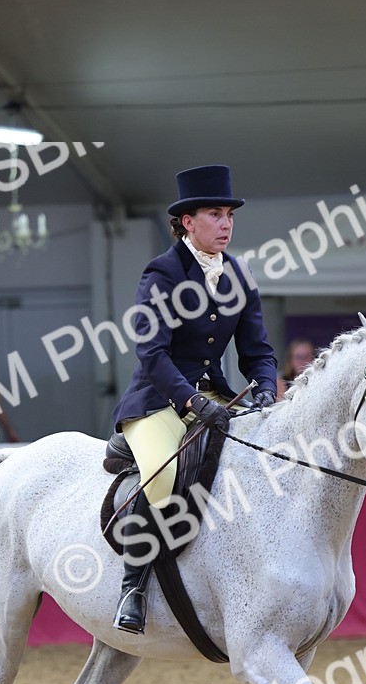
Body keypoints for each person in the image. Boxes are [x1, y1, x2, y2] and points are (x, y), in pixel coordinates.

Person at [111, 164, 278, 634]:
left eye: (229, 215)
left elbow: (258, 351)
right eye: (214, 214)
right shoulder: (162, 272)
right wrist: (190, 401)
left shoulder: (239, 277)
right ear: (188, 222)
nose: (225, 224)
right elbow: (152, 352)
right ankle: (133, 585)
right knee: (163, 480)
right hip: (157, 399)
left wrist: (265, 386)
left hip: (215, 395)